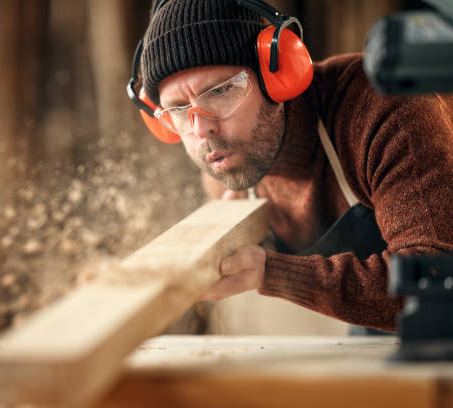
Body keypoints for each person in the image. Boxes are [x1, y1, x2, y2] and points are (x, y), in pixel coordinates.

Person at [127, 0, 453, 332]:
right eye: (179, 108)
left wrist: (271, 272)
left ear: (279, 75)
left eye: (222, 90)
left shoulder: (382, 112)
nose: (202, 130)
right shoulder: (224, 160)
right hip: (387, 322)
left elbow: (435, 283)